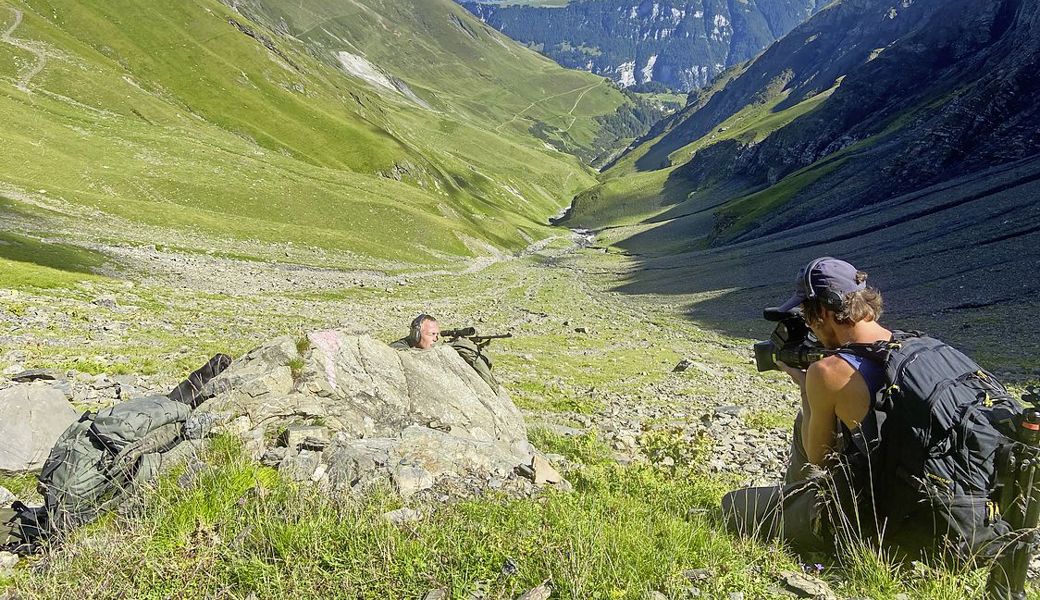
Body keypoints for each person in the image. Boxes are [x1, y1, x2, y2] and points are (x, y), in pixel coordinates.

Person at [722, 257, 891, 554]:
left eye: (806, 315)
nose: (809, 324)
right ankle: (792, 505)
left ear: (823, 311)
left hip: (878, 525)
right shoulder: (909, 347)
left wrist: (807, 388)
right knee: (813, 424)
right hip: (944, 511)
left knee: (732, 505)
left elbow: (818, 462)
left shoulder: (828, 372)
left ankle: (797, 511)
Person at [390, 313, 501, 391]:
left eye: (437, 334)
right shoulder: (398, 348)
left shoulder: (434, 347)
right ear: (416, 335)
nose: (436, 339)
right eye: (432, 334)